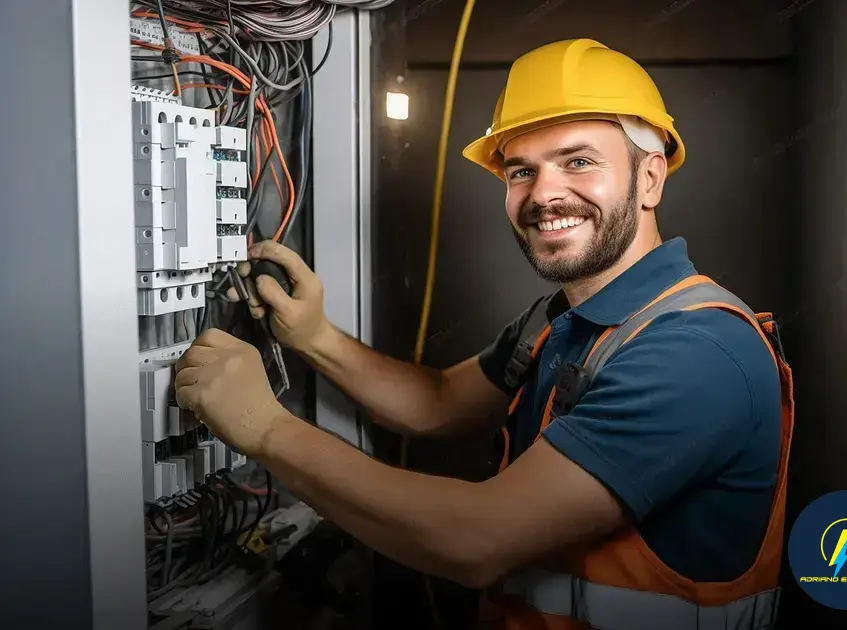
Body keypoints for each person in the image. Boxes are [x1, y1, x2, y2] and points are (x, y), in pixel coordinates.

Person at [175, 39, 794, 629]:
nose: (544, 194)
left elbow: (477, 539)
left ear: (650, 178)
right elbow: (435, 403)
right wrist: (315, 337)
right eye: (521, 172)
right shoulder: (559, 322)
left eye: (578, 161)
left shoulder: (695, 353)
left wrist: (264, 426)